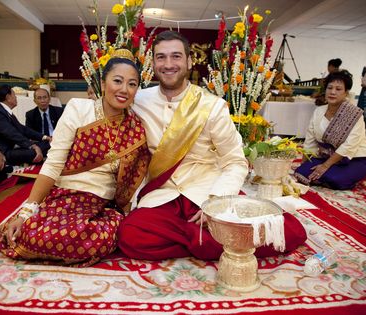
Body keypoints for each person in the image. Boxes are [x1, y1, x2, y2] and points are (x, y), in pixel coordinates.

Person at [117, 31, 307, 260]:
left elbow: (235, 162)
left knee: (290, 231)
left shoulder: (212, 106)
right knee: (130, 235)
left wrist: (215, 203)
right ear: (153, 62)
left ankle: (204, 239)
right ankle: (208, 241)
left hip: (205, 192)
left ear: (189, 61)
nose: (168, 64)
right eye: (161, 57)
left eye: (176, 56)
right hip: (162, 193)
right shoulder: (138, 101)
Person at [0, 55, 151, 267]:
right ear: (102, 83)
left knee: (112, 237)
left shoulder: (136, 128)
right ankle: (3, 231)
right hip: (66, 196)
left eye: (132, 84)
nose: (124, 89)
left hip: (102, 205)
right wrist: (26, 212)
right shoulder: (79, 109)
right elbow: (53, 163)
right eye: (117, 81)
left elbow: (136, 176)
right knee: (50, 234)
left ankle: (28, 232)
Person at [294, 70, 366, 190]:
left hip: (354, 159)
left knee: (337, 179)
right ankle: (324, 176)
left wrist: (325, 166)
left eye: (338, 89)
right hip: (327, 156)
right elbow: (310, 140)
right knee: (301, 172)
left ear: (346, 93)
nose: (333, 92)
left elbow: (349, 146)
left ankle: (341, 177)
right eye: (329, 88)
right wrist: (304, 164)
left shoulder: (354, 114)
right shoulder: (319, 111)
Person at [0, 85, 51, 166]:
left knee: (49, 143)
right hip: (3, 152)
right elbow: (12, 133)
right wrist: (32, 146)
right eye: (14, 95)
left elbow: (23, 129)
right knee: (37, 150)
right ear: (8, 97)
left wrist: (45, 137)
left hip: (12, 148)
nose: (16, 97)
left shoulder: (3, 110)